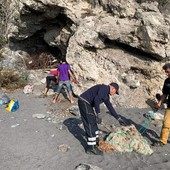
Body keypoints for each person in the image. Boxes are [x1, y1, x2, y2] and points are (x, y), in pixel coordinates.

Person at [78, 83, 126, 155]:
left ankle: (96, 142)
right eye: (115, 92)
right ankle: (91, 148)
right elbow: (96, 100)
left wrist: (118, 118)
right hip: (84, 102)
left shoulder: (106, 95)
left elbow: (110, 107)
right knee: (90, 123)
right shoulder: (104, 88)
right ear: (112, 88)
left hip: (87, 104)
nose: (114, 94)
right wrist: (98, 114)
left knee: (93, 121)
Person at [154, 63, 170, 146]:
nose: (166, 74)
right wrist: (159, 102)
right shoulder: (167, 81)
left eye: (168, 72)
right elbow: (164, 94)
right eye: (166, 72)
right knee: (166, 123)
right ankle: (162, 141)